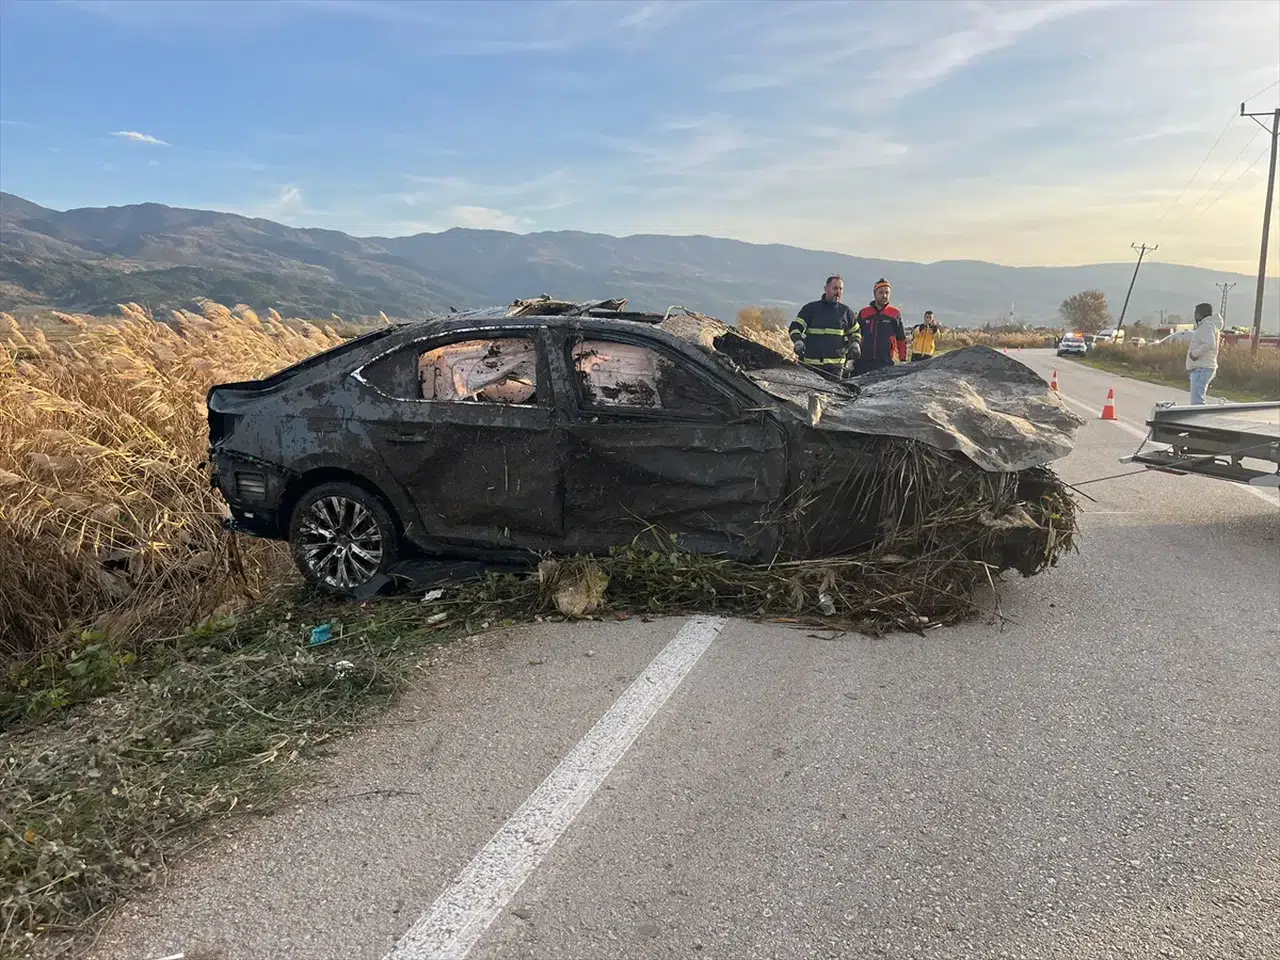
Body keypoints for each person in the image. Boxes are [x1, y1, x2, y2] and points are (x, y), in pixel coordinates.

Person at [789, 274, 862, 377]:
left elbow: (855, 332)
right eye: (835, 288)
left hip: (835, 369)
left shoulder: (846, 312)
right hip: (810, 366)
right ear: (825, 289)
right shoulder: (810, 309)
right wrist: (798, 341)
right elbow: (795, 327)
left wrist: (855, 344)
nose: (838, 292)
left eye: (840, 289)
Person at [853, 278, 907, 374]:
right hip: (863, 362)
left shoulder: (894, 313)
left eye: (887, 293)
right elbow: (855, 334)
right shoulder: (864, 312)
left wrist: (903, 359)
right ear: (875, 294)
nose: (884, 295)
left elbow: (901, 338)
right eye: (881, 292)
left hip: (885, 362)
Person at [1186, 301, 1223, 405]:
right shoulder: (1209, 325)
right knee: (1197, 402)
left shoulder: (1206, 325)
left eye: (1196, 313)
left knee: (1197, 403)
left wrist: (1194, 354)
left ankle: (1199, 421)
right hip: (1203, 367)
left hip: (1202, 368)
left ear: (1199, 314)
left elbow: (1210, 343)